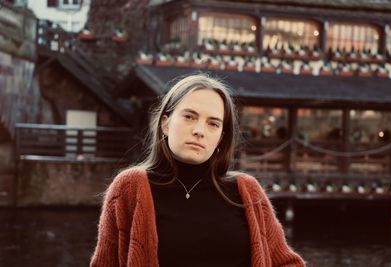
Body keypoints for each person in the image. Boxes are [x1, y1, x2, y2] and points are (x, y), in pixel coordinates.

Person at [90, 74, 305, 267]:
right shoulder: (129, 187)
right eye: (189, 116)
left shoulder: (246, 191)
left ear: (221, 136)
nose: (199, 131)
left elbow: (287, 263)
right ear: (165, 124)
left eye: (213, 124)